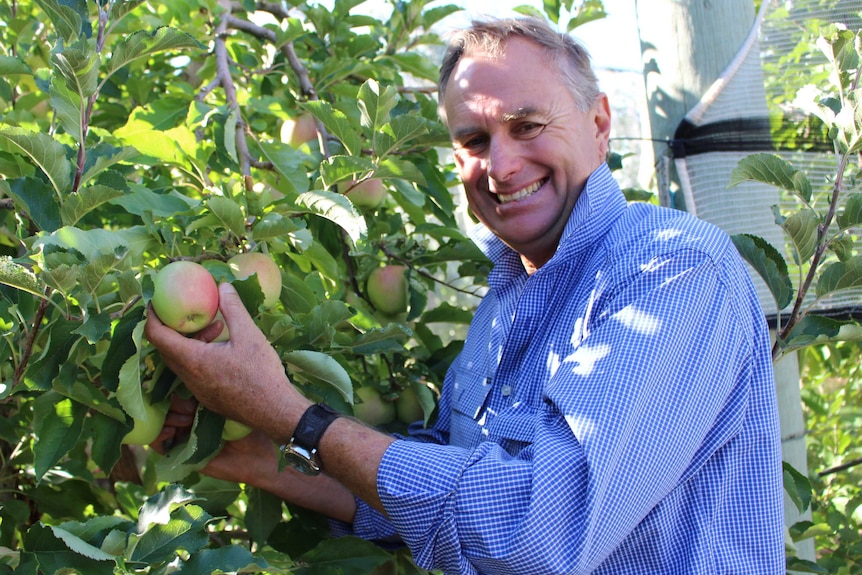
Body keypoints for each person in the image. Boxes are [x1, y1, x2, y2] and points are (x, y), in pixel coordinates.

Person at [145, 16, 785, 574]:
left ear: (598, 124)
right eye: (474, 142)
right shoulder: (505, 304)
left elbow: (537, 534)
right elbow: (450, 501)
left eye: (528, 125)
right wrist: (262, 459)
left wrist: (291, 415)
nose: (501, 166)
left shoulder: (670, 272)